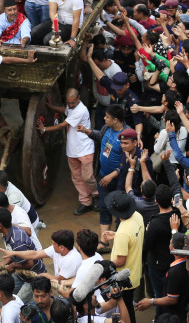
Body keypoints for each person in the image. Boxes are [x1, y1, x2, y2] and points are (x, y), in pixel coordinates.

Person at [38, 88, 96, 215]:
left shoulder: (80, 110)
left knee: (88, 177)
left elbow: (62, 125)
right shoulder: (71, 107)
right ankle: (86, 202)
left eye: (72, 103)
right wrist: (52, 107)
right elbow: (65, 110)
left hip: (85, 149)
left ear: (78, 98)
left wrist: (44, 129)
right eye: (68, 102)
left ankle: (96, 195)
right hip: (72, 150)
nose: (70, 105)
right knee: (77, 178)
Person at [102, 194, 144, 323]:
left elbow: (121, 261)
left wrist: (104, 265)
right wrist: (116, 235)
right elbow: (132, 237)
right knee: (128, 305)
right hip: (135, 272)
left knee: (126, 309)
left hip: (124, 278)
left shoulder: (123, 233)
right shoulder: (137, 216)